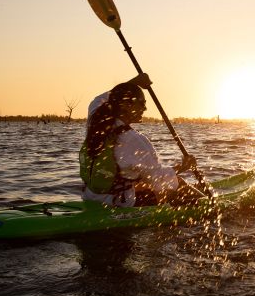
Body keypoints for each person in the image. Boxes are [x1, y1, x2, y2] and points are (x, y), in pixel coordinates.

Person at [79, 73, 204, 207]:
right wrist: (183, 166)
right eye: (141, 103)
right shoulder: (135, 141)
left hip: (90, 197)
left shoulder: (96, 119)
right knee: (177, 182)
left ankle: (200, 198)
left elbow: (101, 98)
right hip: (119, 204)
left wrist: (135, 82)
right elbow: (158, 177)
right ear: (126, 105)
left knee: (139, 181)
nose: (145, 108)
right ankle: (206, 205)